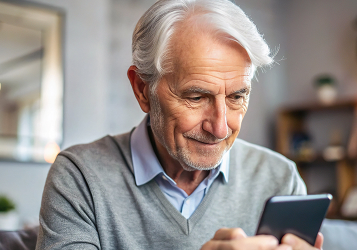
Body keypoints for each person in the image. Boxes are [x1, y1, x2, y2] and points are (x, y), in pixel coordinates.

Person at [36, 0, 324, 249]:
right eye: (196, 97)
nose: (221, 129)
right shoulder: (80, 177)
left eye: (237, 96)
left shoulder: (279, 179)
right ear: (141, 89)